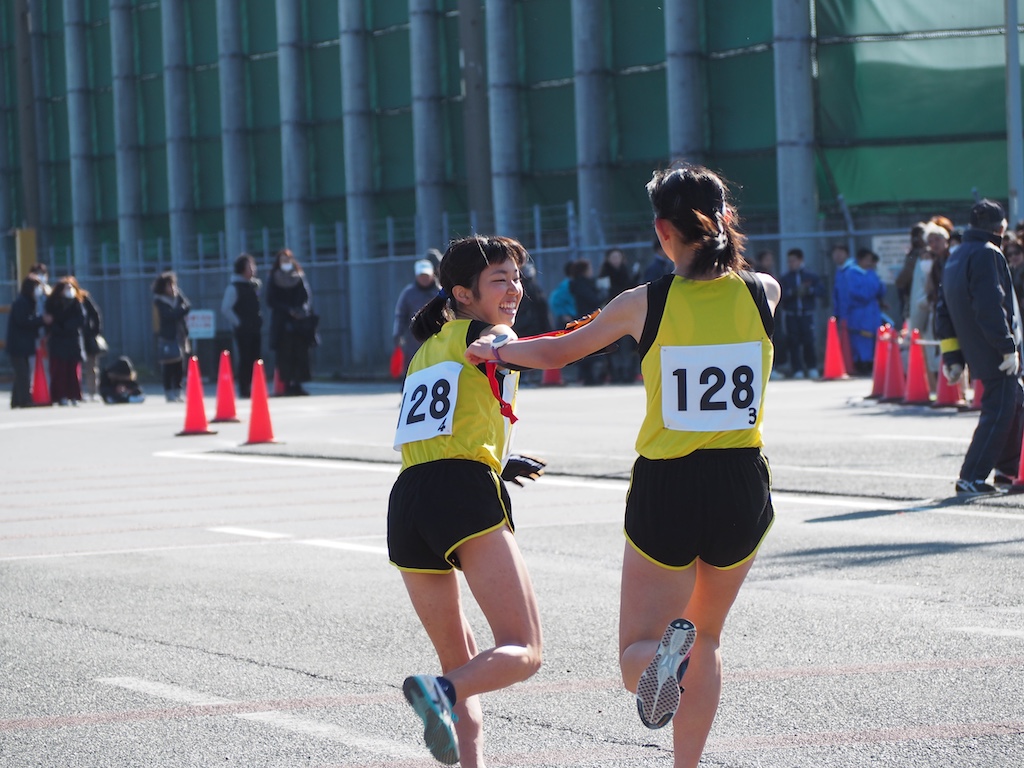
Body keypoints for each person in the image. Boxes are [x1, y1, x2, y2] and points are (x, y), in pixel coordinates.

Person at [467, 164, 779, 768]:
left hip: (670, 482)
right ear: (726, 220)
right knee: (706, 636)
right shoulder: (763, 290)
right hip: (741, 480)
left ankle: (664, 662)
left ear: (662, 231)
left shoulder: (647, 302)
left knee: (640, 649)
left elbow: (559, 349)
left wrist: (499, 346)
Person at [389, 235, 543, 767]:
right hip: (460, 492)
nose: (514, 290)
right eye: (499, 280)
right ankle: (436, 692)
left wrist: (501, 461)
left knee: (462, 668)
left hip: (409, 501)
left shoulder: (424, 353)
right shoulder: (490, 333)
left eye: (517, 278)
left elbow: (442, 425)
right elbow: (505, 345)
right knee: (522, 651)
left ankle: (451, 713)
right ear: (463, 292)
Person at [935, 199, 1024, 496]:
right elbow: (990, 306)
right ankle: (972, 477)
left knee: (1014, 402)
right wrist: (1007, 346)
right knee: (999, 410)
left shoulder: (956, 256)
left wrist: (952, 357)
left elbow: (943, 309)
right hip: (993, 349)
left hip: (974, 348)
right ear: (1001, 227)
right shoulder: (988, 254)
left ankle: (1005, 471)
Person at [267, 248, 314, 396]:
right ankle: (286, 384)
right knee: (285, 354)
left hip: (299, 321)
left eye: (288, 260)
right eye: (283, 260)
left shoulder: (299, 277)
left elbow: (307, 297)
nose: (286, 263)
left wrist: (301, 310)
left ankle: (298, 383)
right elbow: (271, 300)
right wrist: (288, 310)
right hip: (282, 321)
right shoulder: (274, 278)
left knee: (300, 352)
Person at [221, 253, 263, 398]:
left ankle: (256, 387)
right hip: (243, 330)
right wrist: (239, 323)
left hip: (255, 327)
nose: (253, 269)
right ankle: (244, 388)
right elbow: (226, 308)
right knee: (245, 358)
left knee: (256, 359)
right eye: (250, 266)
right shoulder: (234, 287)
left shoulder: (254, 285)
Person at [5, 276, 51, 408]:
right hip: (18, 345)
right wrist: (41, 320)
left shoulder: (29, 302)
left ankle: (16, 401)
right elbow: (23, 321)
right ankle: (25, 400)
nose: (39, 290)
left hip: (23, 345)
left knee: (21, 374)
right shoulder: (22, 302)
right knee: (23, 374)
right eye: (37, 287)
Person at [779, 247, 824, 379]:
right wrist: (793, 293)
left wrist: (808, 291)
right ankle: (797, 369)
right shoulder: (785, 278)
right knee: (793, 342)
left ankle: (812, 367)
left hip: (807, 314)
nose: (791, 264)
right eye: (789, 261)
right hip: (791, 315)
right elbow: (781, 295)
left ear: (800, 260)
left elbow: (821, 291)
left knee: (808, 341)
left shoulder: (811, 276)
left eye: (793, 261)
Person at [840, 249, 887, 375]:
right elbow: (857, 293)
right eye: (867, 259)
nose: (869, 262)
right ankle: (861, 363)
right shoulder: (851, 273)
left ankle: (873, 362)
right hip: (859, 312)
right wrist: (873, 291)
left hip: (872, 312)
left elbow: (880, 290)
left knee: (874, 338)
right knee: (860, 339)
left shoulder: (871, 273)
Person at [393, 258, 440, 377]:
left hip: (437, 337)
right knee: (413, 367)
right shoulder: (408, 293)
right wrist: (398, 334)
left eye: (426, 275)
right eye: (421, 275)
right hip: (413, 340)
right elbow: (401, 315)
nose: (424, 278)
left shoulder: (440, 292)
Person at [599, 248, 641, 383]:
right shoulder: (604, 274)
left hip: (627, 313)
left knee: (627, 344)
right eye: (613, 257)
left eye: (618, 257)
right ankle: (615, 373)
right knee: (613, 344)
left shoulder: (627, 272)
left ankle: (628, 372)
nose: (616, 260)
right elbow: (602, 294)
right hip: (610, 314)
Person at [44, 277, 87, 405]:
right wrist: (60, 327)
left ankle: (74, 395)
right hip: (58, 340)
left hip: (73, 340)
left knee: (73, 371)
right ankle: (60, 396)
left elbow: (81, 319)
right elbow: (50, 321)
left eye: (71, 288)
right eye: (66, 288)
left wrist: (68, 326)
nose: (69, 290)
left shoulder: (77, 302)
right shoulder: (52, 303)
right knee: (59, 370)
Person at [153, 271, 191, 402]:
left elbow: (188, 306)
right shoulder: (159, 301)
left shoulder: (177, 297)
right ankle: (169, 392)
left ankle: (178, 391)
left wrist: (179, 310)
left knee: (180, 366)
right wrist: (179, 311)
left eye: (173, 285)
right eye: (169, 286)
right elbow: (169, 316)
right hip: (167, 336)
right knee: (169, 364)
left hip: (180, 335)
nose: (172, 288)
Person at [568, 258, 605, 385]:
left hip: (582, 317)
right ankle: (589, 376)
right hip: (587, 318)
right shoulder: (581, 284)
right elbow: (593, 300)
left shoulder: (578, 284)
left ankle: (589, 376)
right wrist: (602, 293)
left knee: (585, 347)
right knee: (589, 347)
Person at [895, 223, 928, 324]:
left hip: (923, 299)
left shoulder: (923, 253)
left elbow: (901, 280)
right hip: (914, 298)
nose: (916, 240)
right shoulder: (913, 254)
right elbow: (901, 281)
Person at [81, 288, 105, 402]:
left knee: (92, 366)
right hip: (72, 337)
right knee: (76, 367)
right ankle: (78, 392)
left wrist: (95, 332)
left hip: (87, 337)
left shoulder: (83, 298)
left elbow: (95, 313)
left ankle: (92, 391)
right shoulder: (61, 299)